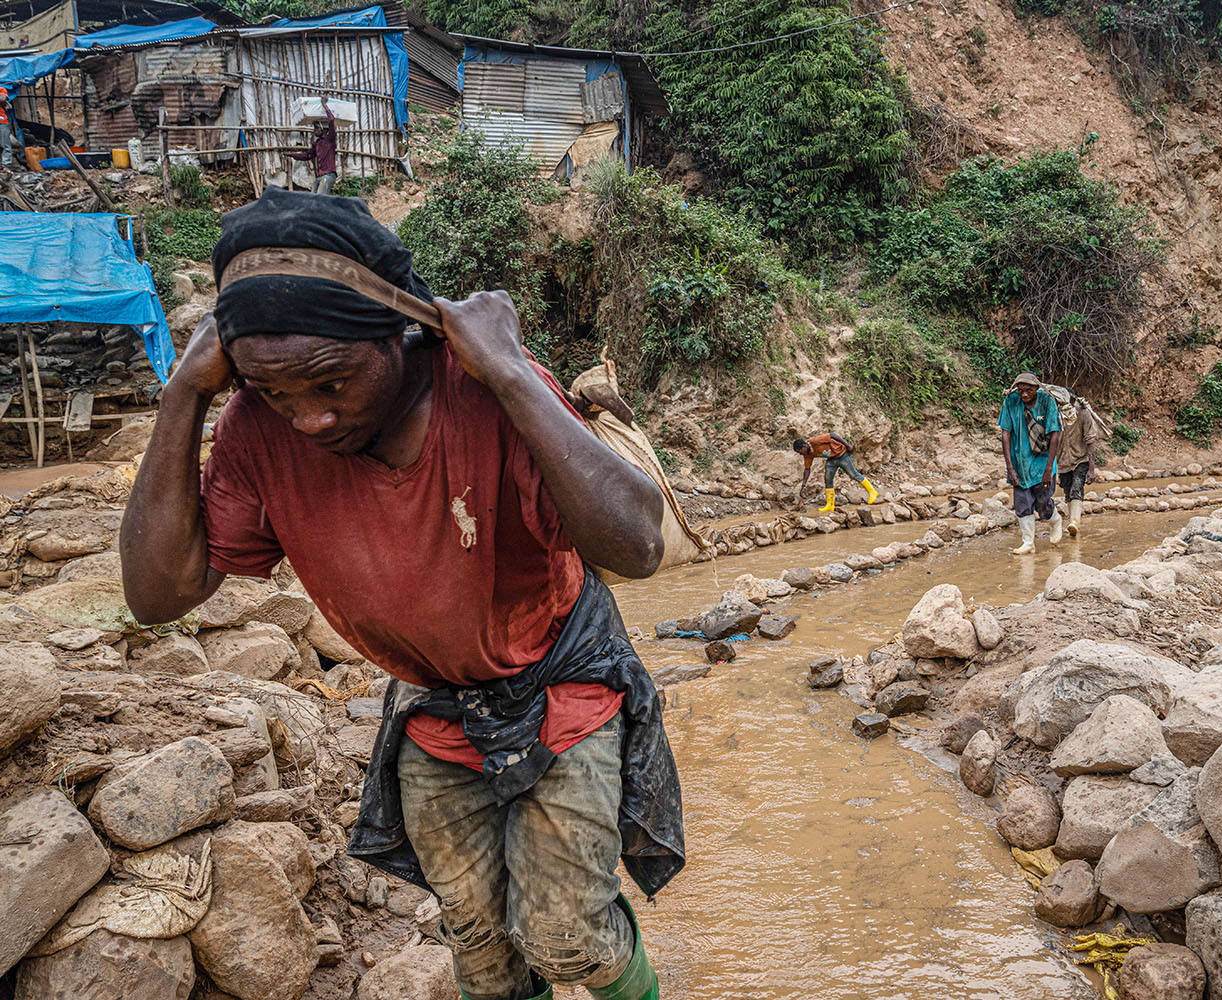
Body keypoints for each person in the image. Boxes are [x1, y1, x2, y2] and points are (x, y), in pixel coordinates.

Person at [119, 189, 682, 1000]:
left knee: (565, 938)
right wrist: (185, 396)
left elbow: (638, 545)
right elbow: (156, 594)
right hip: (435, 710)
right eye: (274, 391)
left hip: (563, 685)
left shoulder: (483, 390)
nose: (307, 419)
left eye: (331, 382)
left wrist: (512, 370)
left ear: (403, 335)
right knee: (483, 959)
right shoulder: (254, 429)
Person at [997, 371, 1062, 555]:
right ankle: (1028, 542)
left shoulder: (1046, 402)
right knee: (1022, 503)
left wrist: (1049, 468)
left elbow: (1055, 434)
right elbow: (1005, 434)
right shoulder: (1010, 402)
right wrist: (1010, 468)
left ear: (1036, 389)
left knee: (1043, 504)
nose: (1024, 394)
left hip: (1042, 463)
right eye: (1021, 390)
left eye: (1028, 390)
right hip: (1020, 463)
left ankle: (1055, 520)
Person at [1049, 384, 1104, 537]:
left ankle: (1074, 522)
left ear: (1072, 401)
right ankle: (1073, 522)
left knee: (1077, 487)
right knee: (1067, 491)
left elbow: (1090, 440)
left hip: (1081, 458)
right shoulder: (1056, 414)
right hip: (1063, 461)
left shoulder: (1082, 413)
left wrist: (1091, 469)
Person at [793, 432, 878, 512]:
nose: (800, 454)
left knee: (853, 474)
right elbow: (807, 469)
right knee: (828, 479)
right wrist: (803, 486)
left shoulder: (815, 441)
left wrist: (847, 445)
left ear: (804, 447)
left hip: (842, 454)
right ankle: (830, 504)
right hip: (832, 459)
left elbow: (832, 435)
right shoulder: (807, 454)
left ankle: (872, 492)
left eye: (800, 452)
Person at [288, 95, 338, 195]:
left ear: (323, 129)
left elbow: (332, 120)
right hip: (320, 176)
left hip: (328, 175)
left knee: (319, 198)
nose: (314, 130)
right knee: (312, 198)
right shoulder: (317, 144)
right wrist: (291, 155)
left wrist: (324, 105)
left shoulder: (330, 139)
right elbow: (307, 155)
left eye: (316, 128)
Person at [0, 87, 15, 171]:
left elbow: (3, 98)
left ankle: (6, 166)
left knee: (5, 145)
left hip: (2, 122)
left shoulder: (1, 89)